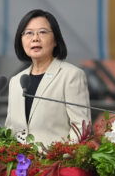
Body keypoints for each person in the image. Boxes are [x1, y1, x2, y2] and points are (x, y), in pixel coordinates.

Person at [5, 9, 91, 146]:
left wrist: (62, 159)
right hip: (20, 164)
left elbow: (81, 128)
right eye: (28, 33)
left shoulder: (71, 75)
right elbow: (10, 129)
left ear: (56, 40)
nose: (35, 38)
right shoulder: (16, 81)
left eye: (42, 32)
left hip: (55, 164)